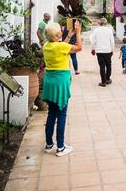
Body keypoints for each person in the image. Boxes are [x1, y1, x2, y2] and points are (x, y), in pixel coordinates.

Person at [42, 21, 82, 156]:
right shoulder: (61, 46)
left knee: (51, 114)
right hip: (60, 83)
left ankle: (49, 144)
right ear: (57, 35)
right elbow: (78, 48)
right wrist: (78, 33)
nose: (61, 31)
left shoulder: (46, 46)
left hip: (49, 82)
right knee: (62, 114)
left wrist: (69, 36)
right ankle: (60, 147)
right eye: (60, 30)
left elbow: (60, 46)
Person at [90, 17, 115, 87]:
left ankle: (103, 82)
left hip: (99, 51)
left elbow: (92, 40)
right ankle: (108, 79)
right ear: (106, 23)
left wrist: (92, 49)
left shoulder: (96, 30)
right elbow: (112, 42)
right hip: (108, 51)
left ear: (99, 23)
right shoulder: (109, 30)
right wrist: (112, 50)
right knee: (108, 65)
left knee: (102, 66)